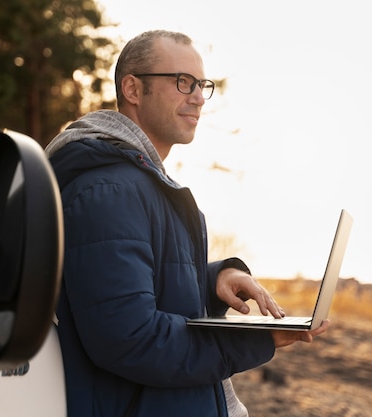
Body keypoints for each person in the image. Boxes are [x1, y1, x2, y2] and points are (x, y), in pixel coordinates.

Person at [45, 30, 329, 417]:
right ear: (132, 88)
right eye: (183, 82)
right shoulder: (109, 191)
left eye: (202, 85)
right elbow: (131, 340)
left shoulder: (139, 184)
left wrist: (212, 282)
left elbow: (140, 288)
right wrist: (254, 341)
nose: (197, 97)